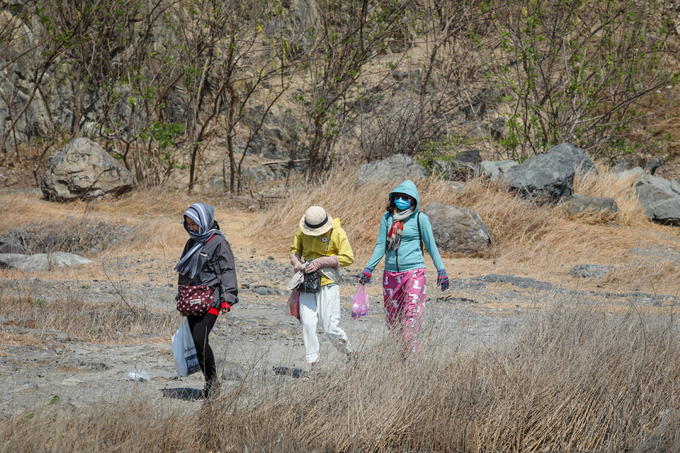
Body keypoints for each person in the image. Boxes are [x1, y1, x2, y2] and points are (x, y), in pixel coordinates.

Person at [358, 180, 449, 353]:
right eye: (398, 196)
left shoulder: (420, 218)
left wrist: (441, 270)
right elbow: (380, 246)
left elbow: (431, 246)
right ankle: (401, 362)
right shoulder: (387, 218)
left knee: (411, 319)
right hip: (390, 275)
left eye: (406, 197)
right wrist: (368, 269)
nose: (401, 200)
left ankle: (412, 360)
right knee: (393, 325)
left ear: (413, 200)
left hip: (414, 273)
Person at [175, 202, 238, 399]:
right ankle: (210, 385)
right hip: (193, 299)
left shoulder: (218, 242)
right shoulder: (191, 242)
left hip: (213, 298)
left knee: (199, 338)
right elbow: (184, 271)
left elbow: (228, 270)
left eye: (194, 224)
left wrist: (228, 298)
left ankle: (213, 384)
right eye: (188, 224)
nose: (191, 228)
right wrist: (181, 296)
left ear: (204, 220)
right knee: (197, 342)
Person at [290, 206, 355, 367]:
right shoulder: (302, 230)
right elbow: (295, 251)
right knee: (307, 322)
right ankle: (314, 365)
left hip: (327, 281)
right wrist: (297, 263)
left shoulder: (337, 232)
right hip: (306, 281)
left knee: (330, 326)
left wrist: (320, 262)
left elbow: (348, 257)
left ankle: (350, 353)